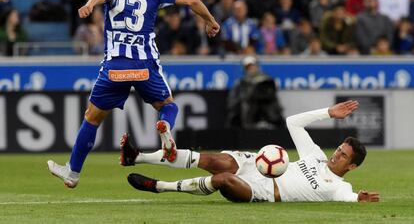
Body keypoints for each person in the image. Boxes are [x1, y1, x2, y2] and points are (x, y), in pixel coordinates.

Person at [47, 0, 220, 188]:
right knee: (168, 106)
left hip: (115, 68)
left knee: (92, 118)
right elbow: (192, 0)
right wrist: (210, 20)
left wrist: (90, 4)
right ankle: (165, 128)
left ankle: (73, 173)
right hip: (144, 67)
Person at [121, 100, 380, 203]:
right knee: (213, 160)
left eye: (343, 156)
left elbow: (350, 198)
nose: (336, 154)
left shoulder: (339, 187)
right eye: (339, 149)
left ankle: (160, 186)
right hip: (254, 165)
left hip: (262, 191)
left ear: (352, 166)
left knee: (222, 179)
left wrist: (359, 199)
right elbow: (293, 122)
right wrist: (327, 113)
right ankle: (139, 157)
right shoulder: (315, 155)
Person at [226, 55, 284, 130]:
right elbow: (232, 103)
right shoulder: (240, 84)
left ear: (257, 66)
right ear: (245, 69)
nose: (251, 69)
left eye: (253, 66)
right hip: (248, 118)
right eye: (248, 68)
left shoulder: (268, 81)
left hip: (269, 117)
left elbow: (274, 100)